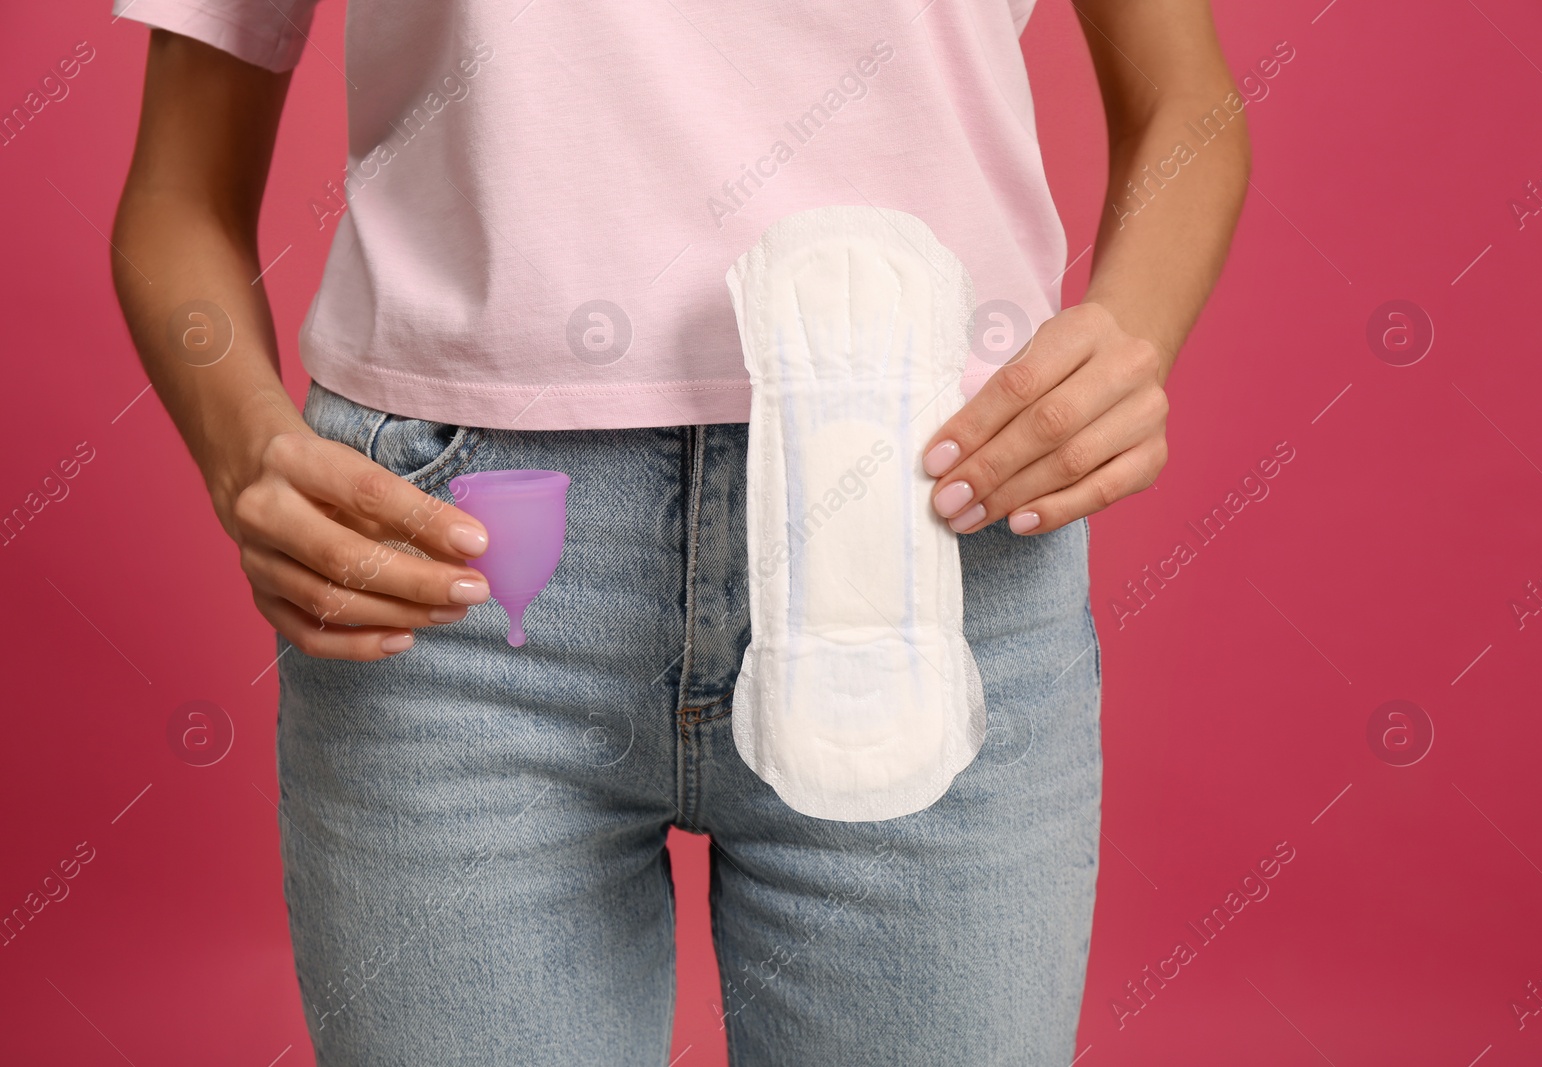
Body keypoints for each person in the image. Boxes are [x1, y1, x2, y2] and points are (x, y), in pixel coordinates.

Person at [111, 1, 1247, 1062]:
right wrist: (243, 446)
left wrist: (1130, 337)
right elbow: (177, 194)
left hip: (928, 535)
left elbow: (1184, 102)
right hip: (450, 577)